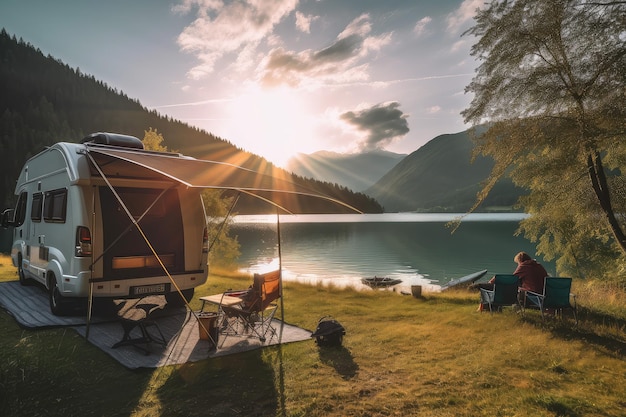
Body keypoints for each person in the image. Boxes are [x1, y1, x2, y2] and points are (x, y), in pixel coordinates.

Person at [473, 251, 548, 311]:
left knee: (509, 290)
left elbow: (511, 279)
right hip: (544, 295)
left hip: (532, 295)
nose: (518, 265)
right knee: (518, 289)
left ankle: (491, 308)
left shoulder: (524, 266)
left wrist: (492, 281)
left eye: (518, 263)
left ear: (520, 261)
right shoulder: (539, 266)